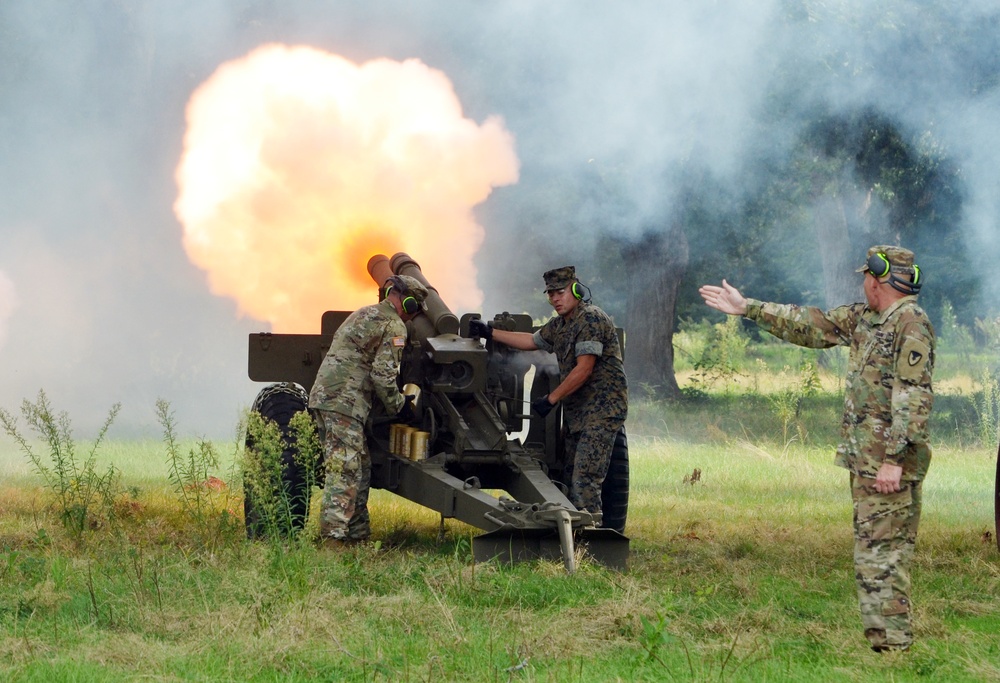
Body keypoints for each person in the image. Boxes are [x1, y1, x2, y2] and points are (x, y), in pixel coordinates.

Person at [699, 245, 934, 653]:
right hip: (867, 462)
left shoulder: (909, 324)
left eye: (865, 276)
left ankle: (893, 649)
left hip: (887, 465)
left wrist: (894, 460)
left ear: (878, 279)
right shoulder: (868, 319)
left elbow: (912, 396)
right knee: (872, 554)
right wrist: (747, 307)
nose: (861, 283)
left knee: (883, 557)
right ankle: (886, 645)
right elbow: (812, 324)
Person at [468, 266, 628, 520]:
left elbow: (584, 368)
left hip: (601, 412)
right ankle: (569, 530)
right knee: (569, 475)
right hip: (579, 415)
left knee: (585, 478)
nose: (554, 298)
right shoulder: (561, 325)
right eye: (550, 294)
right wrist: (490, 333)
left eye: (560, 292)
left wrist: (551, 399)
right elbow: (531, 341)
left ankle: (591, 539)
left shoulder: (591, 319)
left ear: (576, 290)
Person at [308, 274, 428, 546]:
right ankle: (332, 541)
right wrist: (402, 407)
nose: (414, 315)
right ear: (408, 303)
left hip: (328, 399)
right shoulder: (394, 325)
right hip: (345, 403)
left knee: (359, 465)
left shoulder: (364, 313)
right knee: (346, 470)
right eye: (415, 308)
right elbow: (383, 377)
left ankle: (358, 536)